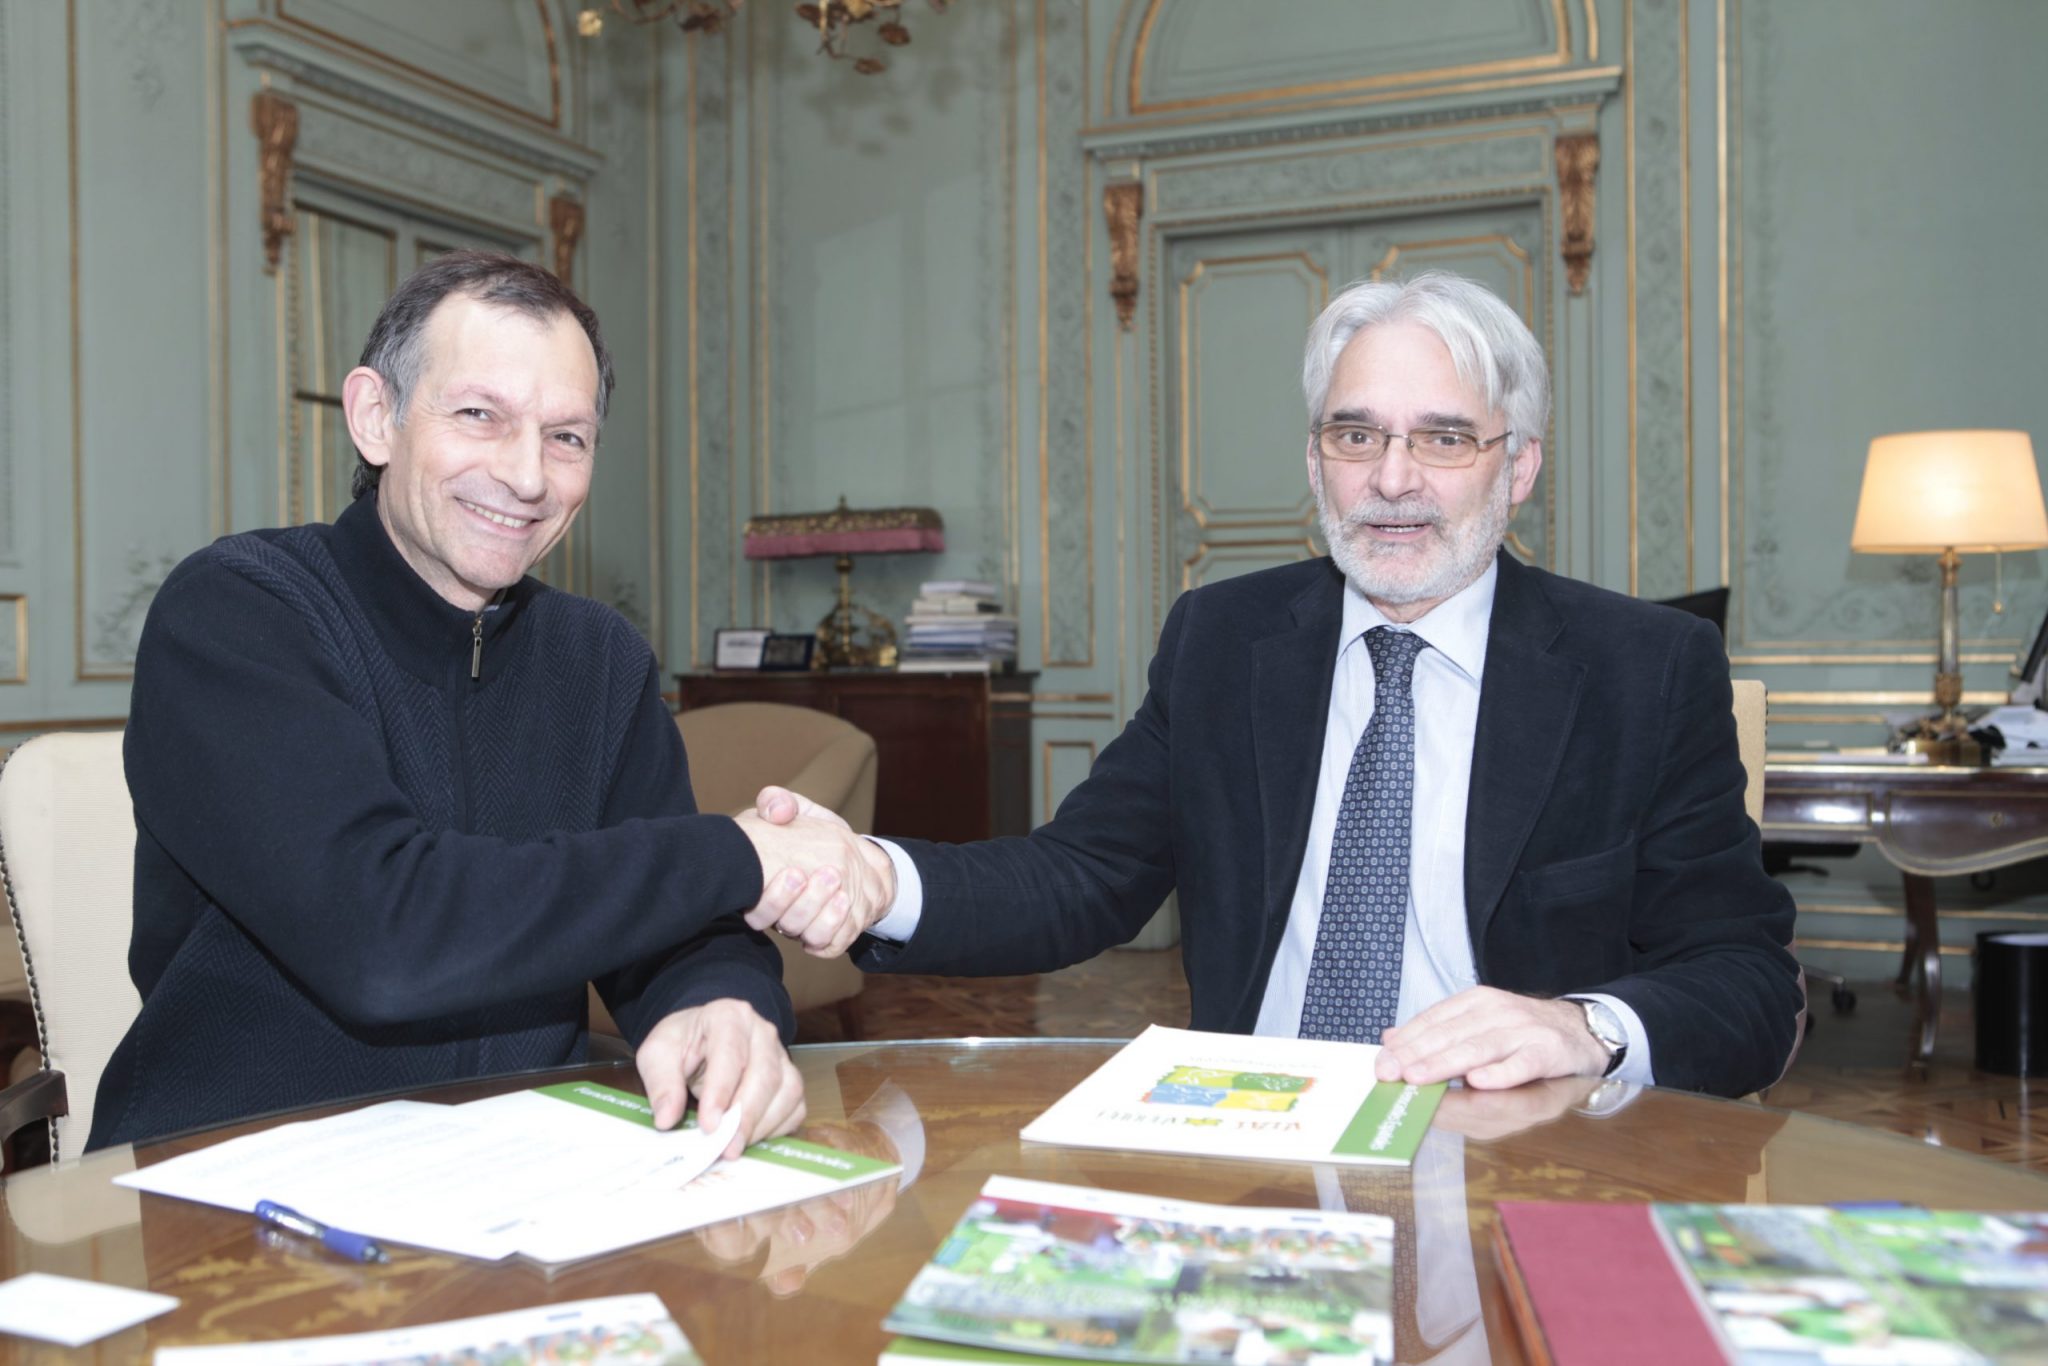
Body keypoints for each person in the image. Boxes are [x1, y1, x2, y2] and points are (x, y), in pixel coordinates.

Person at [750, 270, 1803, 1099]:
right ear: (1314, 460)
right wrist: (879, 879)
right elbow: (1079, 876)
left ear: (1515, 467)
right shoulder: (1224, 638)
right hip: (1252, 1136)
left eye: (1441, 438)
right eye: (1355, 434)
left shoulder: (1642, 669)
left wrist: (1580, 1025)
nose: (1391, 479)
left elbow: (1746, 985)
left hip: (1518, 1144)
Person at [90, 252, 888, 1152]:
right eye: (479, 415)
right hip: (231, 1180)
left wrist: (724, 1006)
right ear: (375, 416)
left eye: (567, 437)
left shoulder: (602, 660)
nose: (527, 476)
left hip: (514, 1175)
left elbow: (674, 928)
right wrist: (734, 852)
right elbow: (384, 938)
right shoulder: (238, 612)